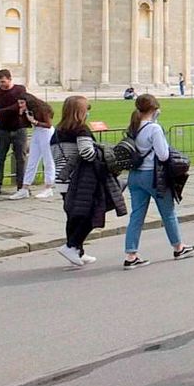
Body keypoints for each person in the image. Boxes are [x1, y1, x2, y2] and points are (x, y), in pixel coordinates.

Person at [123, 94, 194, 268]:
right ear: (154, 109)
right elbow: (163, 155)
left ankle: (131, 254)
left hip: (135, 175)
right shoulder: (154, 128)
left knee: (137, 215)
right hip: (153, 175)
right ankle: (178, 247)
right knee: (168, 212)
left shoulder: (133, 126)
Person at [51, 96, 127, 266]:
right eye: (87, 109)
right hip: (80, 181)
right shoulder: (81, 130)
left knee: (73, 216)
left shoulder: (57, 131)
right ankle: (72, 246)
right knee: (91, 213)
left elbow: (55, 155)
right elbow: (87, 153)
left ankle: (78, 251)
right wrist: (99, 150)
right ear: (81, 111)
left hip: (63, 180)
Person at [0, 69, 30, 199]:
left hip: (19, 128)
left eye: (3, 81)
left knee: (20, 159)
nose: (1, 84)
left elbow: (17, 107)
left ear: (10, 79)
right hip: (2, 130)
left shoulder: (20, 90)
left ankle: (22, 187)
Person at [15, 94, 56, 200]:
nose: (20, 105)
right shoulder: (28, 110)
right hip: (37, 132)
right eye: (19, 103)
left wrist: (34, 121)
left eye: (22, 103)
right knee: (32, 160)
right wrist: (21, 115)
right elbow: (24, 124)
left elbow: (48, 124)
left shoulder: (41, 109)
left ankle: (49, 187)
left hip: (46, 133)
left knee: (48, 160)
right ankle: (25, 188)